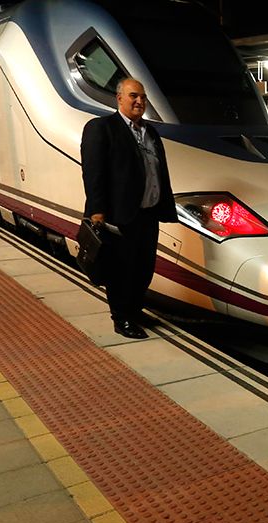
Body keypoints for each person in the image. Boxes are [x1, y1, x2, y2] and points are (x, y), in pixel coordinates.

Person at [81, 78, 176, 339]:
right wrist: (97, 210)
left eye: (143, 97)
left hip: (148, 214)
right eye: (134, 96)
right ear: (119, 98)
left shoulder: (150, 132)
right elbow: (93, 172)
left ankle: (134, 309)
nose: (139, 101)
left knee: (144, 268)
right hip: (118, 215)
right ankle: (121, 318)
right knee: (120, 270)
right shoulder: (102, 128)